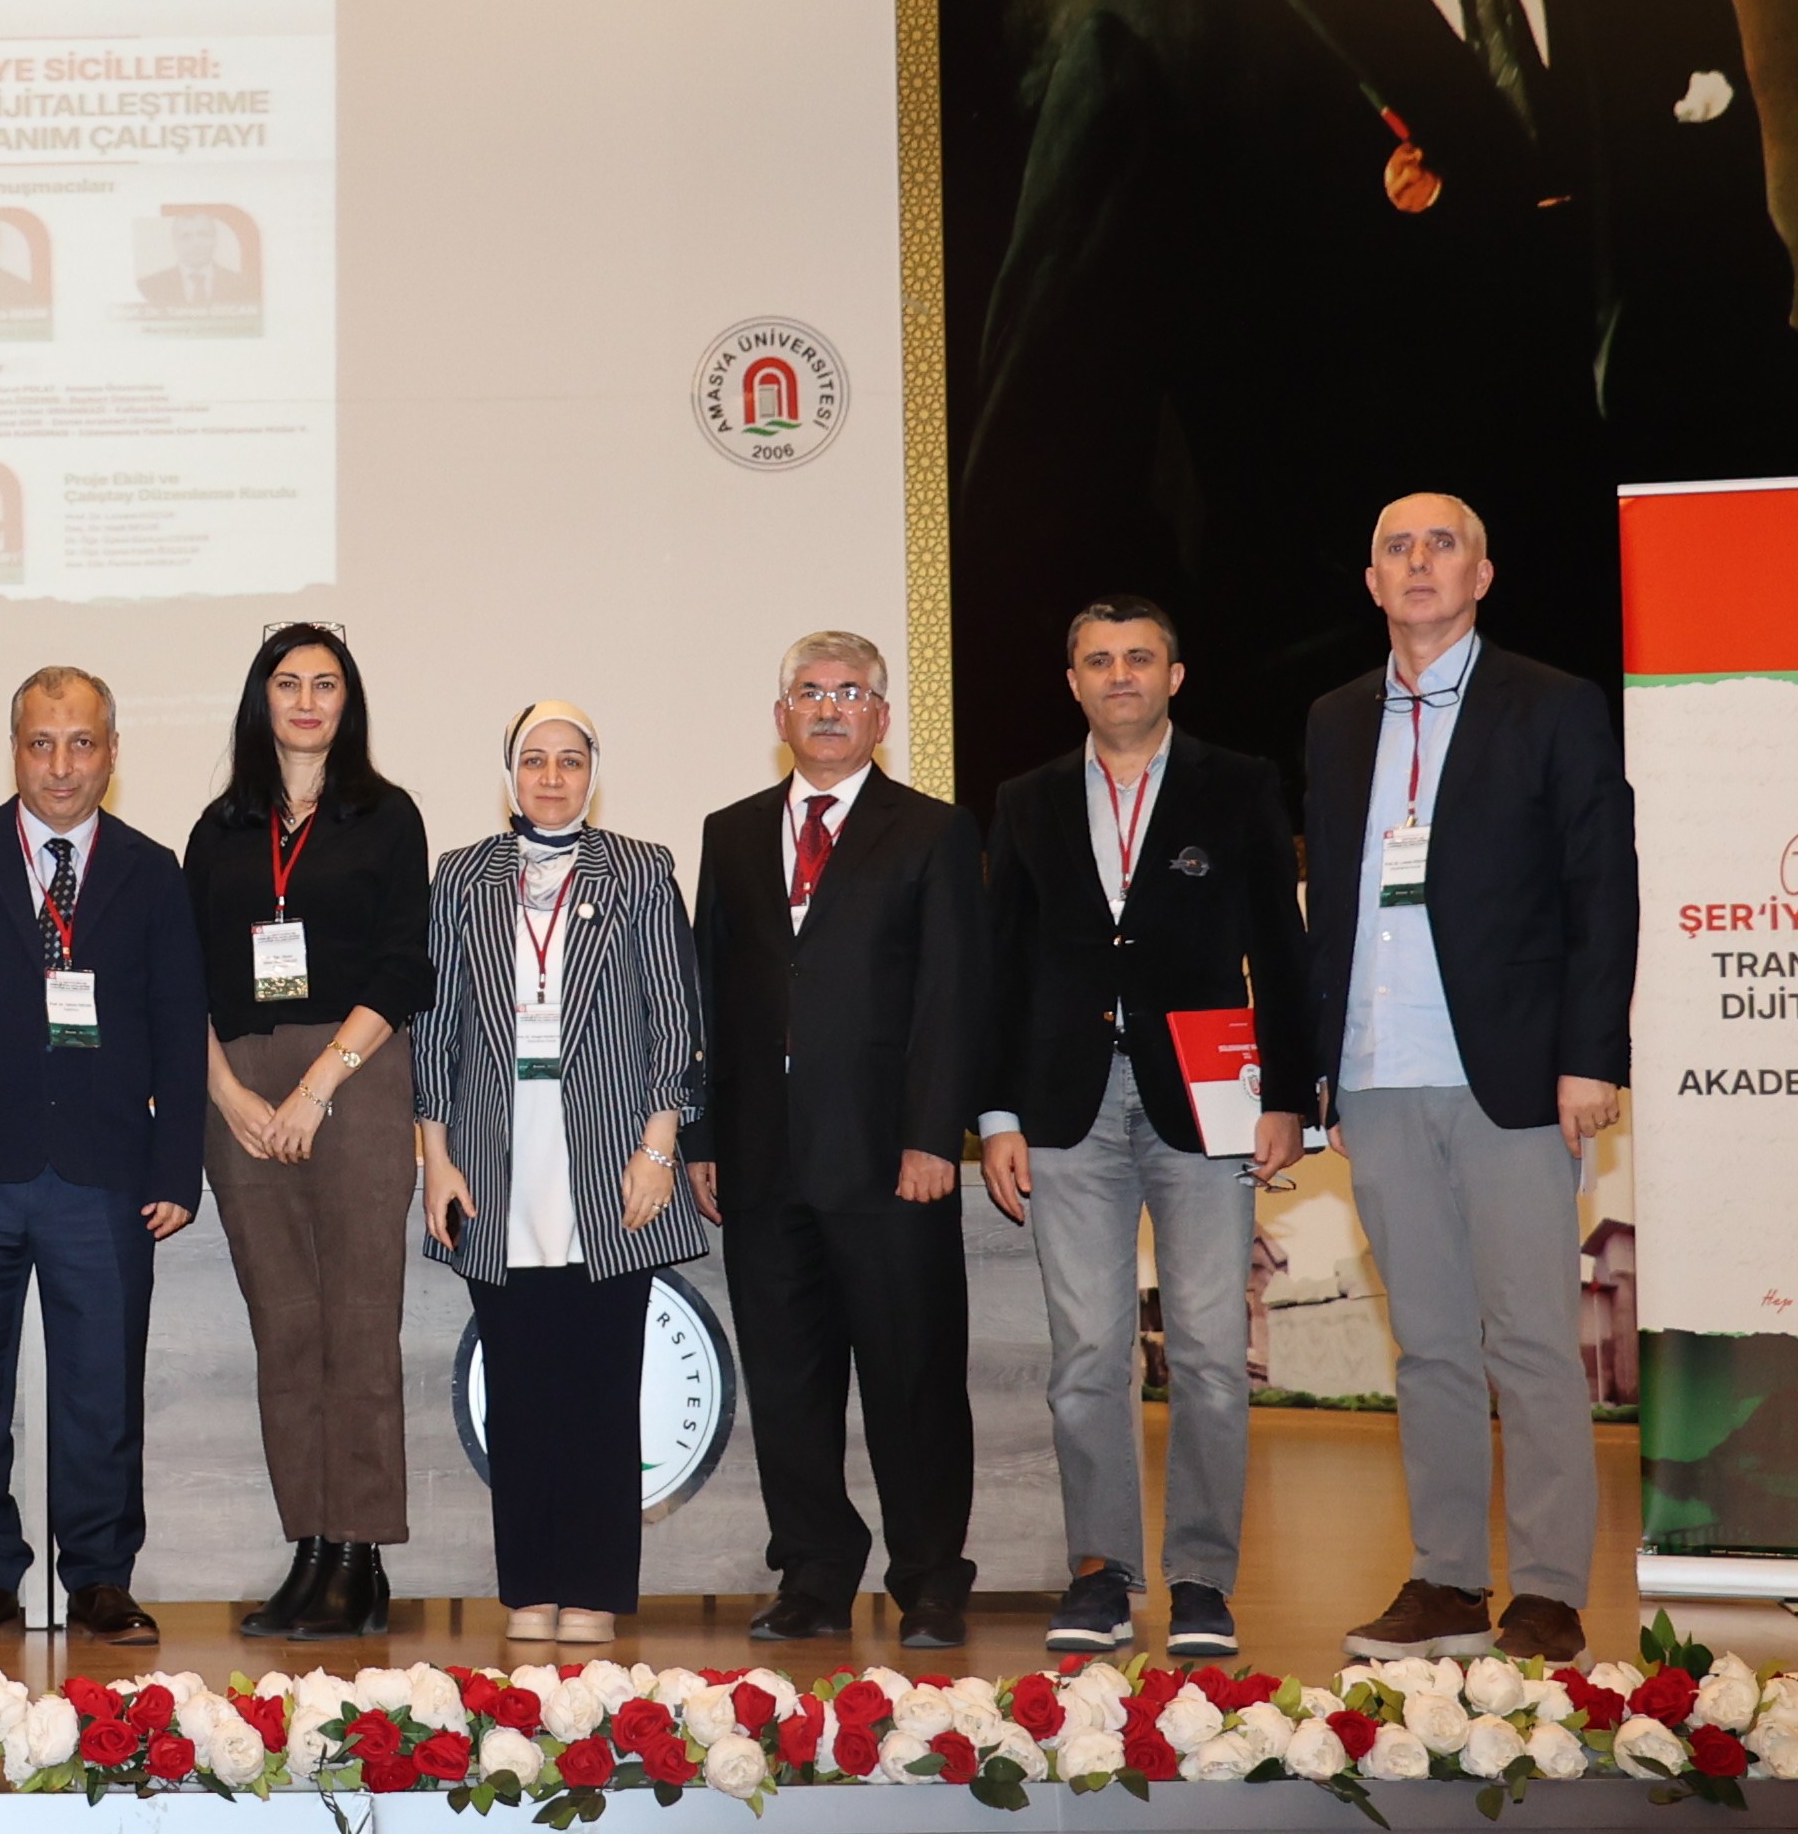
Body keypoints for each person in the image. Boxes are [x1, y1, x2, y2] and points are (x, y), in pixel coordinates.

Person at [958, 0, 1798, 797]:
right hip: (1349, 781)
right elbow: (1047, 527)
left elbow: (1738, 375)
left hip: (1681, 762)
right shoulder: (1164, 42)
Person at [1307, 492, 1633, 1664]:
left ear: (1481, 575)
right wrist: (1322, 1073)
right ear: (1372, 581)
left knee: (1531, 1341)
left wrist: (1590, 1056)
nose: (1419, 562)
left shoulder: (1551, 702)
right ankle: (1447, 1579)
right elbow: (1330, 905)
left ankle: (1547, 1589)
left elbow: (1602, 886)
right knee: (1431, 1346)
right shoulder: (1336, 717)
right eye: (1396, 546)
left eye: (1441, 544)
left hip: (1513, 1074)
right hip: (1379, 1073)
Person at [977, 597, 1312, 1663]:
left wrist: (1288, 1095)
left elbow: (1282, 948)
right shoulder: (1025, 799)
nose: (1118, 674)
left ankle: (1203, 1577)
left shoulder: (1239, 783)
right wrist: (996, 1113)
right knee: (1087, 1353)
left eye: (1138, 657)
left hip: (1207, 1104)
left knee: (1210, 1351)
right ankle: (1102, 1571)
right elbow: (1000, 967)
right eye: (1097, 659)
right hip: (1064, 1106)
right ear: (1072, 681)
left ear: (1175, 675)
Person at [0, 665, 204, 1652]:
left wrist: (174, 1168)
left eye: (82, 743)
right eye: (41, 743)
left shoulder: (151, 870)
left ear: (112, 752)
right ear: (15, 750)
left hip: (104, 1174)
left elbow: (180, 1027)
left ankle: (100, 1576)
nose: (61, 765)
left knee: (102, 1389)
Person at [689, 631, 987, 1650]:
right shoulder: (730, 832)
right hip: (760, 1158)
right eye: (810, 692)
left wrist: (932, 1134)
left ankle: (932, 1580)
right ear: (781, 716)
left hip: (889, 1158)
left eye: (850, 692)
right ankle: (814, 1574)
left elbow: (952, 991)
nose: (828, 707)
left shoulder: (932, 830)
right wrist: (703, 1134)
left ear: (882, 717)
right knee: (787, 1381)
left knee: (913, 1378)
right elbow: (708, 995)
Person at [414, 702, 707, 1648]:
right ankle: (529, 1586)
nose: (552, 776)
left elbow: (676, 1018)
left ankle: (595, 1586)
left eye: (570, 760)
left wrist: (658, 1147)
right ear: (510, 774)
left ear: (593, 773)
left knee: (601, 1386)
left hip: (613, 1157)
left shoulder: (641, 870)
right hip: (495, 1158)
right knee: (520, 1389)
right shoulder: (462, 876)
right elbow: (436, 1026)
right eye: (534, 760)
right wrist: (436, 1157)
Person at [178, 622, 431, 1640]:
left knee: (358, 1322)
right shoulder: (219, 829)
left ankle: (359, 1555)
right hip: (239, 1086)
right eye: (289, 683)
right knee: (284, 1328)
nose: (308, 700)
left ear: (348, 701)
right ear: (262, 698)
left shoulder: (386, 814)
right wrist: (229, 1095)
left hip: (355, 1076)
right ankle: (311, 1547)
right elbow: (181, 979)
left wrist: (319, 1085)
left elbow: (404, 965)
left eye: (327, 683)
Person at [138, 212, 254, 308]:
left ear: (215, 239)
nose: (196, 244)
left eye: (203, 234)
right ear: (175, 242)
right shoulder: (148, 287)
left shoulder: (242, 286)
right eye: (186, 236)